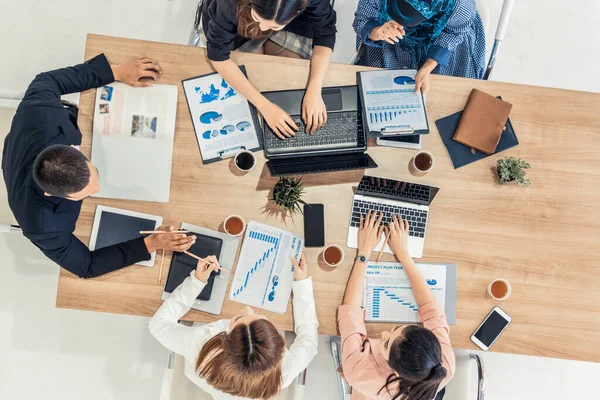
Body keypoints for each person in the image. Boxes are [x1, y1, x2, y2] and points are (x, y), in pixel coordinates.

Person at [1, 55, 196, 278]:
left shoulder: (40, 112)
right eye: (86, 193)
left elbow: (46, 80)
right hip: (16, 174)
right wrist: (151, 243)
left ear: (73, 149)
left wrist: (117, 71)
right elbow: (87, 266)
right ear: (51, 194)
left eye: (95, 175)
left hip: (26, 139)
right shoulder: (43, 228)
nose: (98, 189)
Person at [149, 253, 318, 399]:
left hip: (209, 380)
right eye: (259, 317)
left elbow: (158, 325)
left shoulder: (200, 345)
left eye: (239, 318)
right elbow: (309, 339)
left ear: (226, 339)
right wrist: (302, 284)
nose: (247, 308)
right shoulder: (285, 372)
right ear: (278, 349)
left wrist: (196, 282)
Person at [337, 211, 455, 400]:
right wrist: (403, 253)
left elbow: (349, 315)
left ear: (396, 372)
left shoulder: (359, 373)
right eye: (397, 329)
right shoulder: (442, 365)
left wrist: (364, 252)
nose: (384, 334)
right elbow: (431, 310)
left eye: (385, 342)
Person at [201, 0, 337, 138]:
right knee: (254, 86)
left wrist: (315, 90)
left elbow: (325, 32)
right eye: (258, 18)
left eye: (274, 26)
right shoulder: (227, 5)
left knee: (291, 85)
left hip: (296, 24)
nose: (264, 28)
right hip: (237, 25)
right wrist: (264, 106)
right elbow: (218, 56)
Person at [353, 0, 485, 93]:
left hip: (441, 42)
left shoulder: (460, 5)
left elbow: (454, 32)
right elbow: (362, 20)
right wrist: (378, 32)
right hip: (387, 43)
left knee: (445, 97)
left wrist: (429, 66)